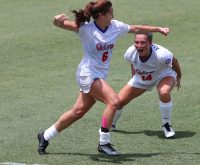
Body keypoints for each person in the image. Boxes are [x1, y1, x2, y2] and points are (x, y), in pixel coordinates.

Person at [37, 0, 170, 156]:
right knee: (114, 102)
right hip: (88, 74)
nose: (113, 14)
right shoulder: (86, 29)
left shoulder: (115, 26)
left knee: (78, 111)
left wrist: (158, 29)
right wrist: (56, 19)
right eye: (110, 12)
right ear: (101, 15)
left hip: (98, 75)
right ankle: (104, 142)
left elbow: (135, 28)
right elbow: (61, 24)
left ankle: (45, 135)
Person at [111, 32, 181, 138]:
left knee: (164, 92)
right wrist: (134, 75)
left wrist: (179, 76)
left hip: (163, 75)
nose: (139, 46)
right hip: (141, 78)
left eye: (143, 43)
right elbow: (133, 62)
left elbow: (174, 61)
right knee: (117, 102)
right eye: (136, 42)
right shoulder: (130, 52)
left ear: (150, 43)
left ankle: (166, 125)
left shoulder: (162, 54)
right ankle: (111, 124)